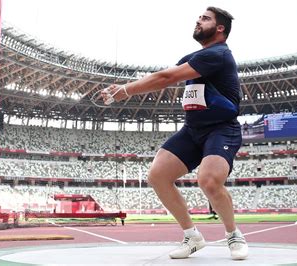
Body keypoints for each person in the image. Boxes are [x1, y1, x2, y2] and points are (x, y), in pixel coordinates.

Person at [102, 6, 248, 260]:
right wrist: (126, 87)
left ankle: (233, 234)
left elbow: (166, 77)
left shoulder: (218, 54)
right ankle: (192, 237)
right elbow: (163, 76)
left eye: (205, 19)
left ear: (220, 28)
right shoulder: (194, 57)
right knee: (158, 175)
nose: (198, 21)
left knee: (209, 180)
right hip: (192, 130)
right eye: (199, 18)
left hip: (222, 129)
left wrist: (124, 90)